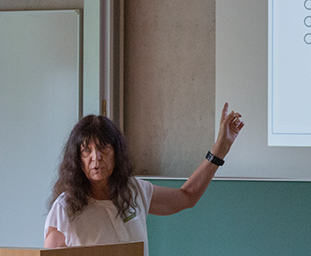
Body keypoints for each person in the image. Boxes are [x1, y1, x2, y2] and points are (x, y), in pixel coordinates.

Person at [44, 102, 243, 255]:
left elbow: (187, 196)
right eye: (87, 150)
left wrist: (220, 149)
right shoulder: (64, 209)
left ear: (116, 152)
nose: (96, 158)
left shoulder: (135, 190)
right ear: (77, 159)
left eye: (104, 147)